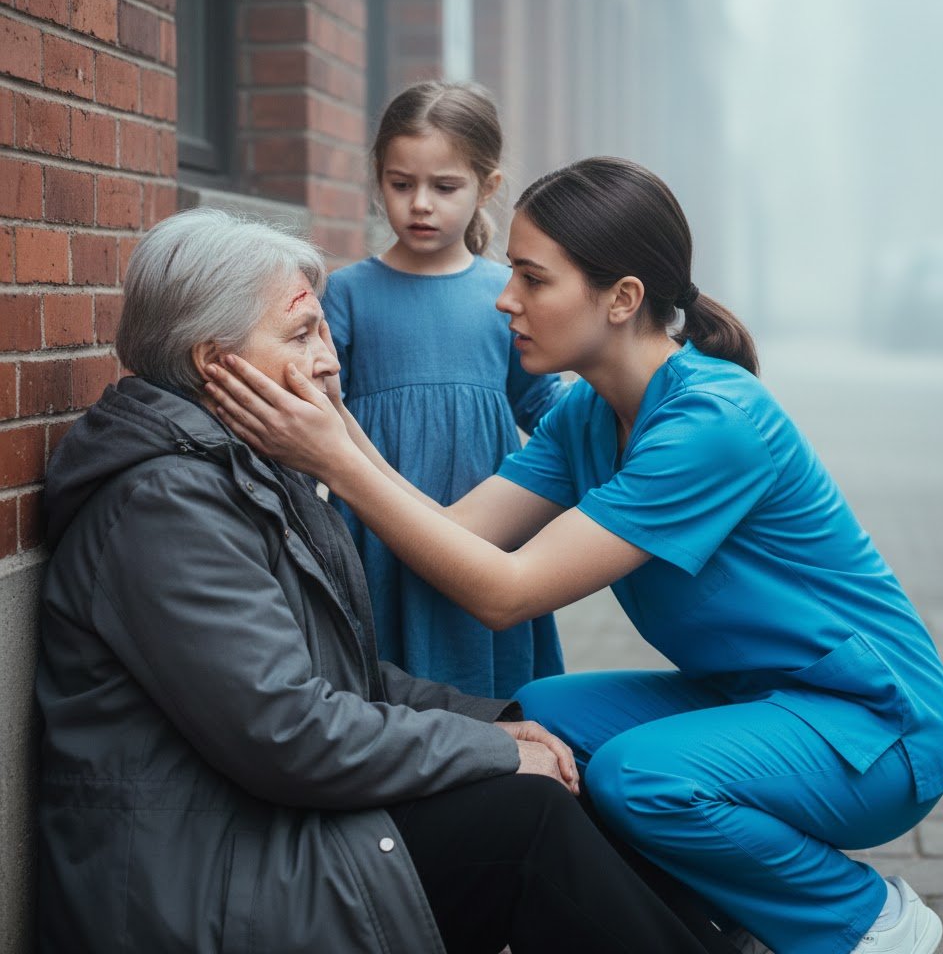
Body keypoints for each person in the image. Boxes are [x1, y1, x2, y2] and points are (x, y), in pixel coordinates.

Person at [207, 158, 943, 954]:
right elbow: (455, 533)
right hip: (758, 698)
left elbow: (505, 592)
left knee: (641, 777)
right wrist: (337, 425)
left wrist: (334, 461)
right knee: (540, 718)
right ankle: (706, 923)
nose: (506, 300)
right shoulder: (589, 417)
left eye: (532, 279)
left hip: (875, 729)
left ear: (622, 298)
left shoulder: (713, 423)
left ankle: (864, 917)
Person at [35, 207, 733, 954]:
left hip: (265, 826)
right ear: (216, 363)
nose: (332, 361)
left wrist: (498, 725)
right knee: (528, 824)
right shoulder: (166, 505)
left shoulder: (242, 470)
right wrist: (498, 753)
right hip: (202, 881)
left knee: (564, 769)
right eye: (302, 335)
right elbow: (290, 734)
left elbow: (349, 680)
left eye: (324, 329)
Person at [321, 80, 566, 697]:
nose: (420, 204)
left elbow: (543, 407)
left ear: (487, 188)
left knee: (486, 681)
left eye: (445, 187)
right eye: (401, 185)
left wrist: (629, 413)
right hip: (375, 527)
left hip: (485, 527)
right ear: (378, 180)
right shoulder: (347, 292)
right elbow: (322, 409)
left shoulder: (506, 293)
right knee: (380, 676)